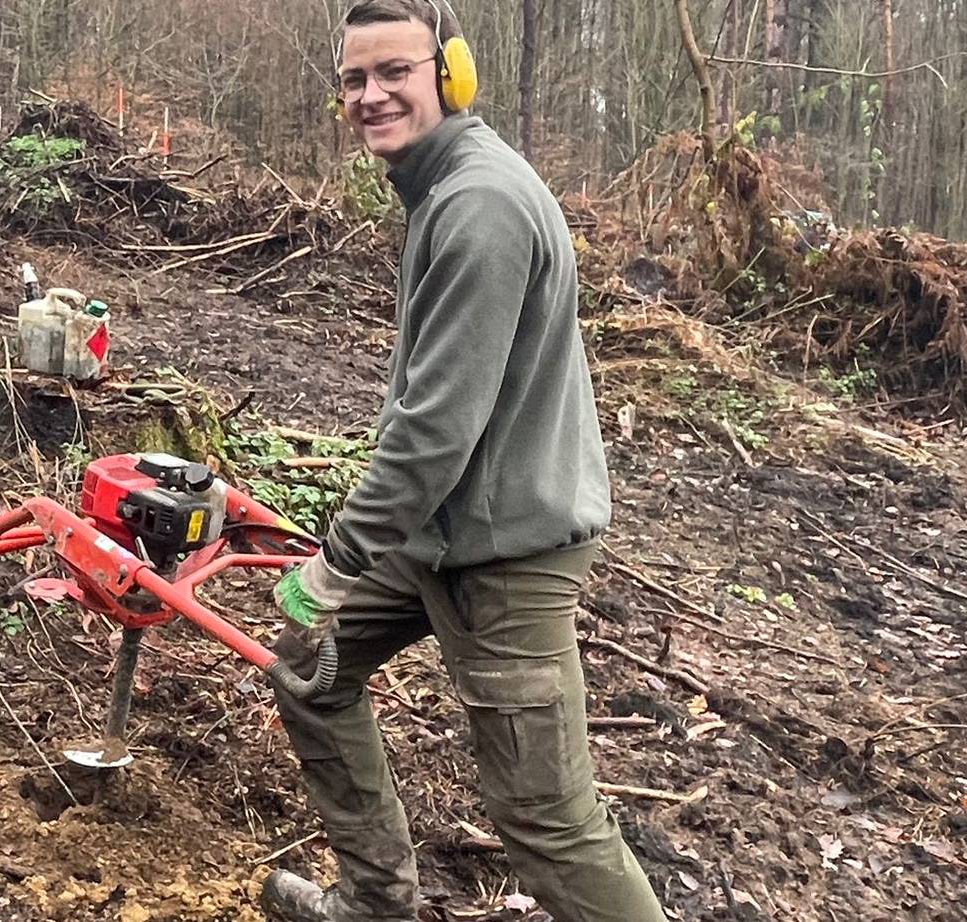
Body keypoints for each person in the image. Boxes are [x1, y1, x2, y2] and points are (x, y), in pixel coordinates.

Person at [259, 2, 667, 920]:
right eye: (355, 79)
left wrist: (335, 564)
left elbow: (434, 431)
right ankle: (377, 903)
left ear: (452, 74)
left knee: (549, 824)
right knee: (308, 667)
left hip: (507, 552)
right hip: (444, 528)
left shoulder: (478, 204)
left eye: (395, 72)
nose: (372, 95)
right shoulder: (441, 189)